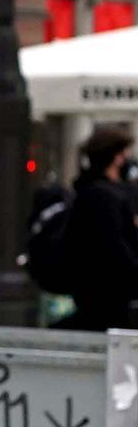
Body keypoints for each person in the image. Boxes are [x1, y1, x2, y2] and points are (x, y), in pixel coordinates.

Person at [61, 125, 138, 330]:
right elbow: (115, 247)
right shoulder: (103, 196)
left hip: (105, 294)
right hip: (108, 297)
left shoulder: (94, 191)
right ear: (116, 157)